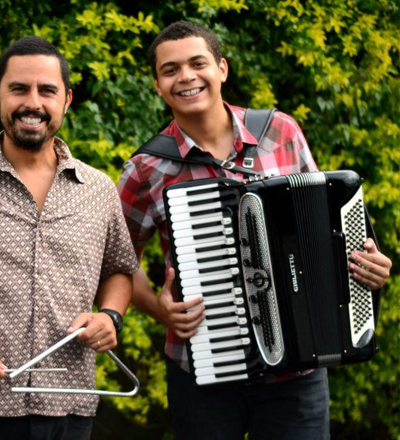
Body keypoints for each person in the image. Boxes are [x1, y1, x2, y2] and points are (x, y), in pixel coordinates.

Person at [117, 21, 392, 440]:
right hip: (202, 376)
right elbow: (116, 261)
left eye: (198, 63)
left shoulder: (281, 131)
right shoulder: (147, 169)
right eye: (170, 70)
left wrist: (367, 266)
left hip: (298, 371)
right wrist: (159, 308)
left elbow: (327, 225)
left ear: (222, 69)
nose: (186, 76)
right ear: (157, 85)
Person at [0, 36, 139, 440]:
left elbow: (120, 270)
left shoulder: (98, 189)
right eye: (19, 88)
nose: (32, 102)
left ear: (66, 100)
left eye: (47, 91)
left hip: (69, 404)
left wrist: (110, 316)